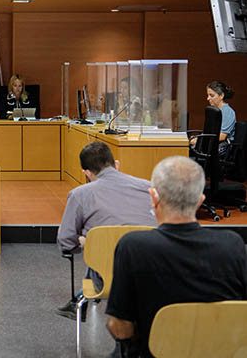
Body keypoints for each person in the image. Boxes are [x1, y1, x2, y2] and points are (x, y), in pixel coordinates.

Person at [106, 156, 247, 358]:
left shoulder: (133, 247)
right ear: (200, 201)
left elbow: (120, 329)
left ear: (153, 197)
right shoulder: (232, 245)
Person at [56, 141, 156, 321]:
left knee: (100, 249)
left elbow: (65, 242)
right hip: (154, 273)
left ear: (87, 173)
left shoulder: (80, 194)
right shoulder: (150, 188)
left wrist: (86, 242)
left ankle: (79, 300)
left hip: (106, 280)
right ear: (116, 164)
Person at [206, 80, 236, 156]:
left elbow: (222, 137)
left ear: (221, 95)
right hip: (212, 144)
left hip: (221, 148)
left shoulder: (228, 112)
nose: (208, 98)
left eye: (211, 95)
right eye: (208, 95)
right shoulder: (215, 111)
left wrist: (200, 140)